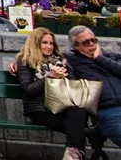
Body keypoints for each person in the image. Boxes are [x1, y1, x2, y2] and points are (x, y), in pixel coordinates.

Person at [14, 27, 94, 159]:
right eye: (45, 43)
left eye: (51, 43)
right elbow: (29, 90)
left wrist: (66, 73)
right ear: (36, 43)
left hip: (62, 107)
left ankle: (72, 154)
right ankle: (75, 154)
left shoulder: (60, 60)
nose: (49, 46)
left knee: (78, 112)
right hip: (40, 110)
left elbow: (73, 87)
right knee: (77, 127)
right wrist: (50, 77)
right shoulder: (25, 61)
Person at [67, 25, 121, 148]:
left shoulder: (110, 57)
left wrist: (100, 58)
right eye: (86, 42)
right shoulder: (72, 60)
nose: (92, 44)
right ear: (76, 46)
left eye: (94, 40)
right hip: (108, 111)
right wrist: (17, 63)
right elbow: (41, 56)